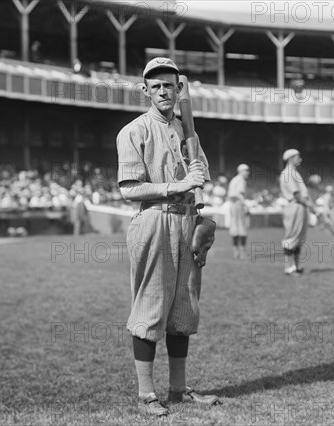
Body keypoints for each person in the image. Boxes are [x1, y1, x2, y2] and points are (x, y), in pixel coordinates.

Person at [116, 57, 219, 417]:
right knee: (151, 306)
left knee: (183, 310)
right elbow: (130, 188)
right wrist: (177, 186)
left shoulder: (188, 132)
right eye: (155, 85)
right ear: (145, 90)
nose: (163, 90)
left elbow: (198, 177)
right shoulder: (133, 131)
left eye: (169, 85)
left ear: (179, 90)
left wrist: (203, 217)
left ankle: (178, 389)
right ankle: (147, 394)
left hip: (187, 221)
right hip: (154, 221)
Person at [279, 149, 317, 277]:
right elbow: (297, 194)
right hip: (294, 206)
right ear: (290, 158)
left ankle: (297, 266)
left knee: (300, 239)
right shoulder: (287, 173)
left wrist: (309, 205)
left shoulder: (295, 173)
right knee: (292, 237)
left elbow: (303, 193)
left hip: (301, 207)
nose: (300, 159)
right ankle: (288, 268)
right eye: (297, 157)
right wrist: (310, 205)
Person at [227, 164, 250, 259]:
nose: (247, 172)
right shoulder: (241, 180)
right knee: (242, 228)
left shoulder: (234, 179)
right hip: (238, 204)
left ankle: (236, 252)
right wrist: (246, 205)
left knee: (235, 228)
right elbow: (240, 194)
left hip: (232, 204)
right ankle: (242, 252)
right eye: (246, 170)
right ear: (240, 171)